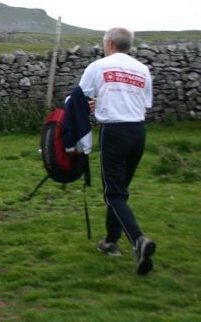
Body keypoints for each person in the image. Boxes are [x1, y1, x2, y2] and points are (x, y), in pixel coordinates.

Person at [79, 27, 156, 274]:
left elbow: (79, 97)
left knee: (113, 194)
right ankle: (111, 241)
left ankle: (139, 241)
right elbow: (143, 103)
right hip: (138, 132)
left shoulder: (99, 66)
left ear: (109, 43)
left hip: (114, 132)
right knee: (120, 191)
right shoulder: (142, 69)